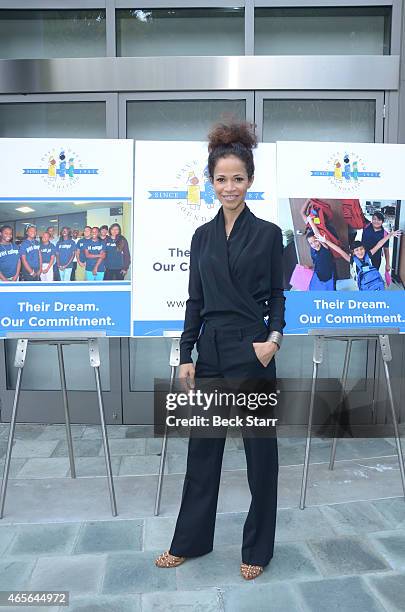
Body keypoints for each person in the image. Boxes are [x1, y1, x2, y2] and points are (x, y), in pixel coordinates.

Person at [155, 121, 285, 580]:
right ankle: (190, 541)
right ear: (211, 182)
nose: (229, 187)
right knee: (202, 452)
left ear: (250, 181)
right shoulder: (201, 237)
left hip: (252, 353)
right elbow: (195, 300)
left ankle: (258, 549)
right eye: (221, 179)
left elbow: (277, 294)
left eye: (238, 178)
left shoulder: (269, 234)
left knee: (260, 456)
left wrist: (272, 341)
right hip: (209, 351)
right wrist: (187, 353)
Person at [317, 231, 402, 291]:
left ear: (364, 249)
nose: (360, 252)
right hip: (363, 283)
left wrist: (390, 234)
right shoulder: (352, 260)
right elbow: (339, 250)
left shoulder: (368, 254)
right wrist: (325, 241)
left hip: (374, 280)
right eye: (357, 250)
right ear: (353, 252)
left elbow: (379, 244)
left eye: (361, 249)